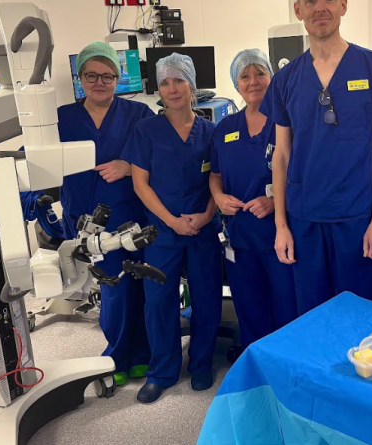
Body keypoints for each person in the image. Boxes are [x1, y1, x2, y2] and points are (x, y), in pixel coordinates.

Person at [262, 0, 372, 315]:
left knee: (362, 319)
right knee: (314, 319)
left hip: (358, 219)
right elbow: (281, 155)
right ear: (298, 10)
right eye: (310, 2)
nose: (320, 8)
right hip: (304, 221)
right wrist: (281, 225)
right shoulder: (286, 79)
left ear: (343, 5)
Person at [125, 53, 222, 403]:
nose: (172, 88)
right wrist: (172, 221)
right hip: (163, 232)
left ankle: (201, 364)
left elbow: (217, 180)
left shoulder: (211, 132)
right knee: (158, 302)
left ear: (191, 85)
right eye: (165, 82)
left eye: (179, 80)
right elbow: (141, 185)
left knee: (207, 298)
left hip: (202, 229)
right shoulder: (145, 131)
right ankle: (162, 372)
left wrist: (207, 215)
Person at [58, 42, 154, 386]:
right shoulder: (61, 118)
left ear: (118, 79)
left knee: (139, 284)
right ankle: (119, 355)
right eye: (92, 76)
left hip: (130, 213)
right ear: (80, 78)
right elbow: (34, 160)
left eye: (108, 76)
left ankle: (142, 354)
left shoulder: (138, 113)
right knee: (114, 287)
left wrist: (128, 166)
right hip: (86, 218)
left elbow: (158, 154)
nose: (100, 82)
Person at [210, 49, 298, 349]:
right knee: (249, 307)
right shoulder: (225, 128)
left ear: (271, 78)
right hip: (240, 237)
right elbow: (215, 174)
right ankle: (255, 364)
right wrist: (219, 197)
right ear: (236, 85)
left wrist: (273, 202)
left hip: (280, 235)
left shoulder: (286, 123)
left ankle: (286, 366)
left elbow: (302, 174)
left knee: (287, 307)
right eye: (245, 76)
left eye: (260, 73)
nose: (253, 81)